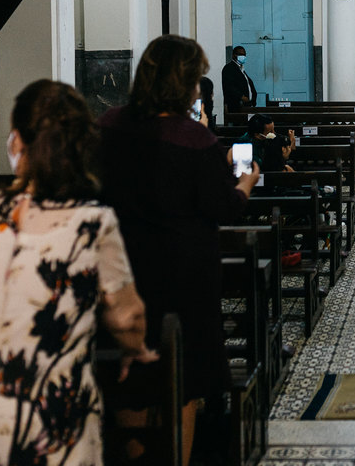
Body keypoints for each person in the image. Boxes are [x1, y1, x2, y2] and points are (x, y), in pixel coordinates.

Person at [0, 80, 154, 466]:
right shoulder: (91, 224)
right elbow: (128, 317)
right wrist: (134, 348)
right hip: (42, 424)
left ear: (17, 143)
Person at [98, 35, 259, 464]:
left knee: (129, 378)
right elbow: (221, 207)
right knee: (183, 379)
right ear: (183, 81)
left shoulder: (110, 125)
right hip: (182, 276)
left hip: (122, 269)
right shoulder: (194, 140)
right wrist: (244, 186)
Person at [221, 45, 258, 115]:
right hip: (236, 106)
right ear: (234, 55)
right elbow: (229, 87)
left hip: (247, 105)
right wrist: (241, 96)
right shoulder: (229, 68)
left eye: (244, 55)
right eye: (240, 54)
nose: (243, 56)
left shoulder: (241, 69)